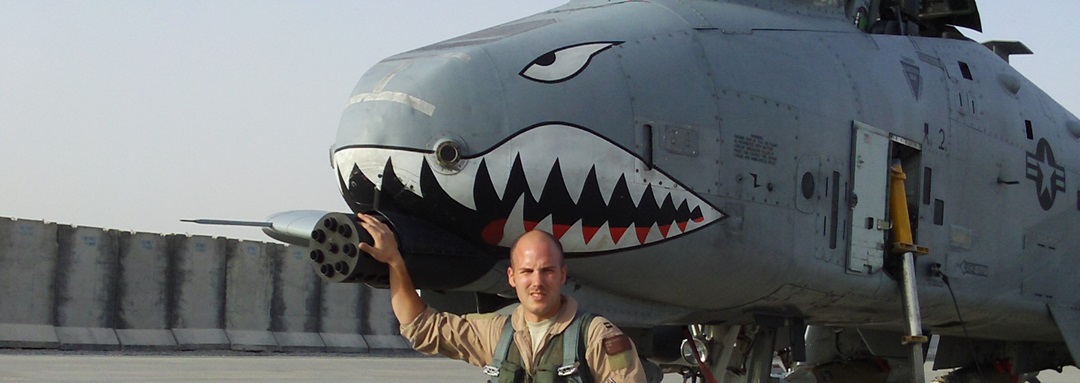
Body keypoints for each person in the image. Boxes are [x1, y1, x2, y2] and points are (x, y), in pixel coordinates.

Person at [356, 213, 647, 383]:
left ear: (562, 275)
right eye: (527, 271)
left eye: (547, 271)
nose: (536, 282)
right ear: (512, 277)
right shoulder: (497, 334)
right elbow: (421, 327)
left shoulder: (598, 337)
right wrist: (394, 262)